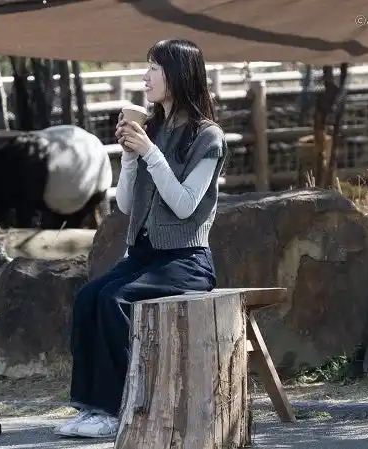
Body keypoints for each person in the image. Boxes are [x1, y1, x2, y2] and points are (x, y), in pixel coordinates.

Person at [53, 39, 228, 439]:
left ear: (178, 75)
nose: (145, 77)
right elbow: (128, 206)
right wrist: (129, 158)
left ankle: (117, 409)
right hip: (144, 256)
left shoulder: (208, 137)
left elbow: (185, 205)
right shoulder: (153, 129)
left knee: (114, 300)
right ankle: (90, 407)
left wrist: (149, 153)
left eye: (153, 68)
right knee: (89, 297)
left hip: (186, 262)